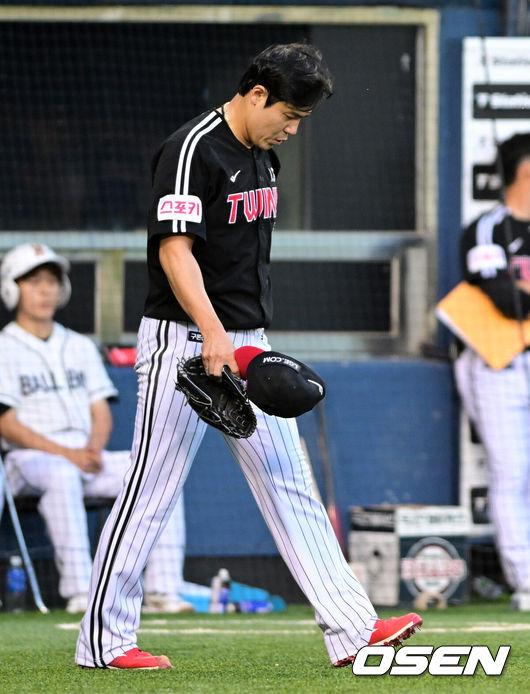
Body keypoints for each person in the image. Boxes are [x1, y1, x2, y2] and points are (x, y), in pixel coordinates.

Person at [76, 42, 422, 671]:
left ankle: (354, 630)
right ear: (256, 93)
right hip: (186, 340)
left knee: (290, 479)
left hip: (244, 342)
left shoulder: (264, 158)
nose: (292, 130)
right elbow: (174, 252)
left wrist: (245, 342)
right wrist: (211, 332)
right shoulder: (192, 149)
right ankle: (103, 642)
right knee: (150, 491)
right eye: (289, 115)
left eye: (301, 121)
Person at [0, 242, 192, 615]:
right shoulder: (4, 346)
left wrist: (91, 449)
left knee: (157, 469)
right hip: (28, 461)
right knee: (60, 474)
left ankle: (162, 588)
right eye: (34, 281)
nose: (45, 290)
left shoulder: (79, 345)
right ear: (12, 288)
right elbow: (6, 423)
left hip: (83, 455)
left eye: (52, 282)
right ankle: (82, 592)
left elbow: (100, 410)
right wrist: (68, 455)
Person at [454, 132, 530, 611]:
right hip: (499, 359)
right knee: (512, 471)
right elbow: (506, 300)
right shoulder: (488, 227)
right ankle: (526, 581)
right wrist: (516, 286)